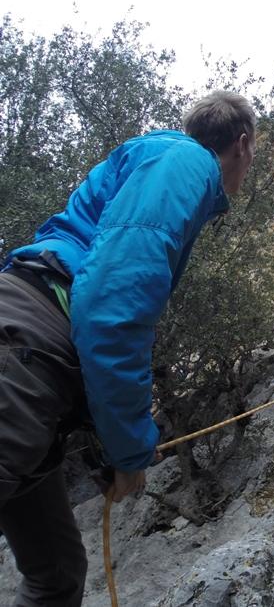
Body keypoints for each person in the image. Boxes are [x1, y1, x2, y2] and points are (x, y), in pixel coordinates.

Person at [0, 90, 256, 607]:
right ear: (243, 145)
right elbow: (111, 305)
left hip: (34, 350)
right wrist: (130, 452)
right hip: (26, 349)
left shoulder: (154, 161)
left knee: (57, 574)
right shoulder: (187, 160)